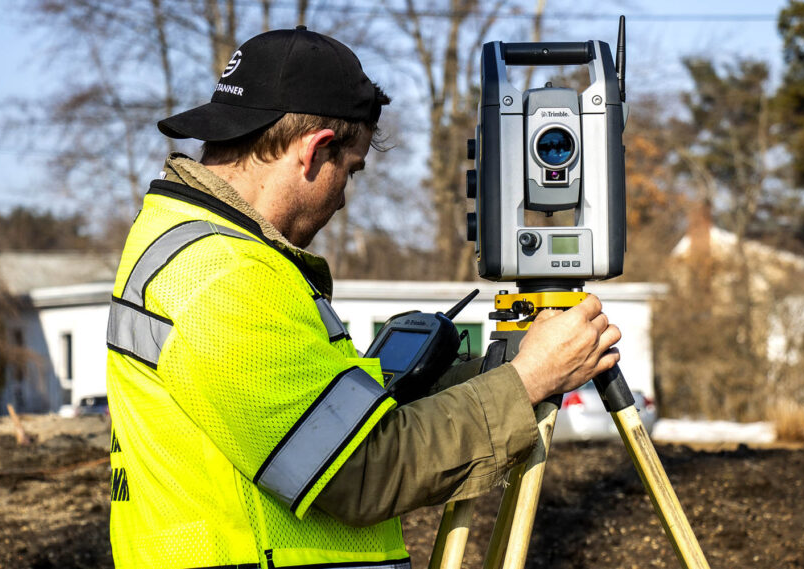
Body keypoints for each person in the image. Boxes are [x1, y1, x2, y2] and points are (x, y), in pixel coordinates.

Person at [106, 26, 622, 569]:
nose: (343, 201)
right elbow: (363, 471)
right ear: (314, 151)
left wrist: (502, 373)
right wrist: (529, 379)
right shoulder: (225, 276)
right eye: (349, 171)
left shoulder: (188, 243)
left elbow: (331, 420)